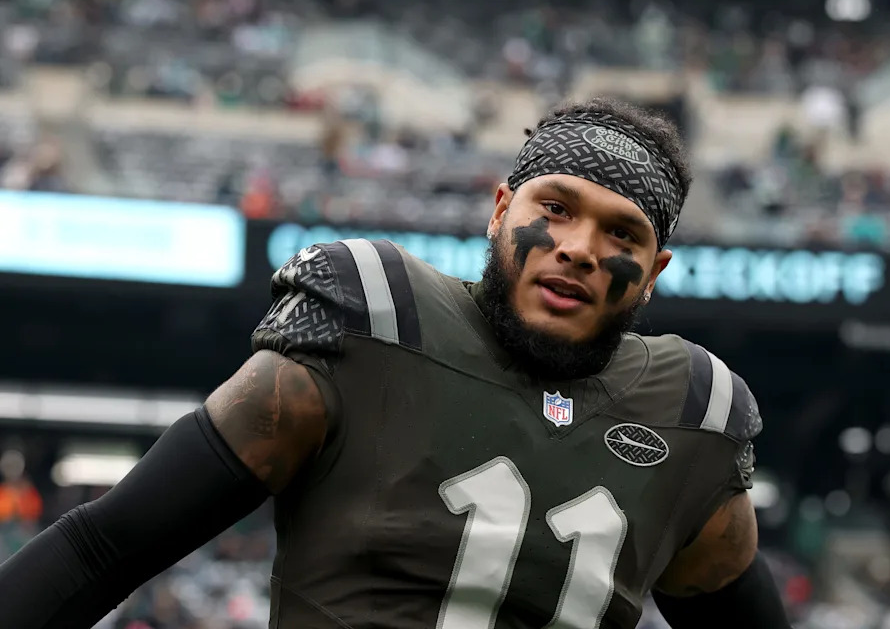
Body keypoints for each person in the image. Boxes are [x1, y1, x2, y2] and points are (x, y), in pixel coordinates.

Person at [0, 97, 790, 628]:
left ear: (654, 273)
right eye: (554, 208)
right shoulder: (372, 322)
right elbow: (104, 548)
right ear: (499, 210)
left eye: (623, 235)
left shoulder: (694, 412)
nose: (580, 249)